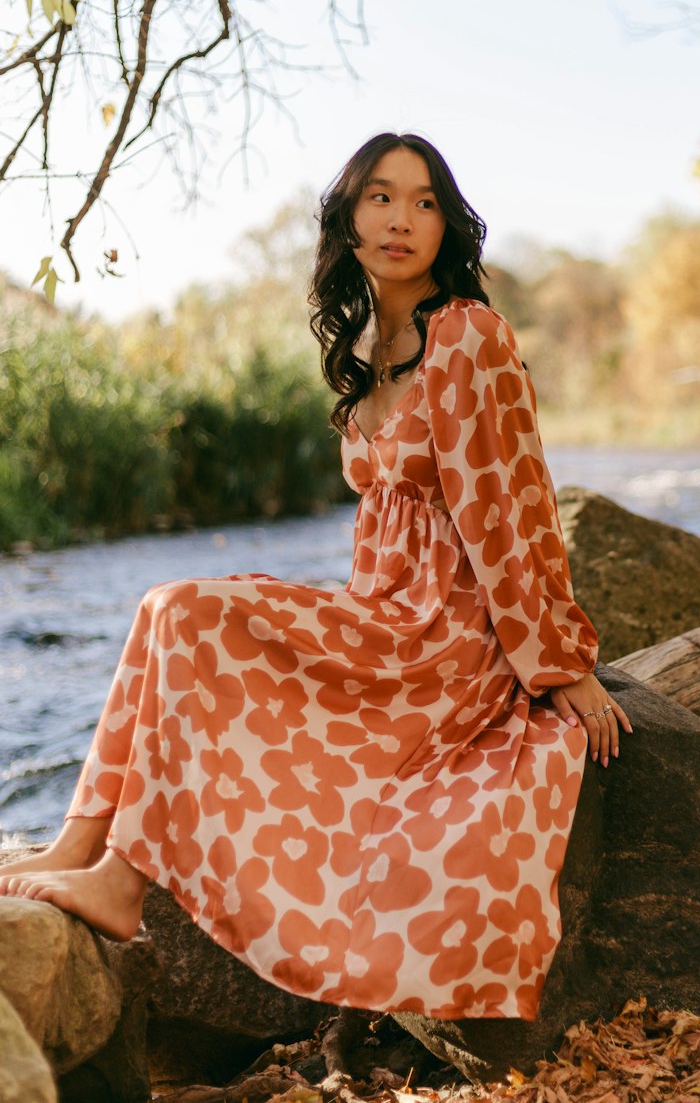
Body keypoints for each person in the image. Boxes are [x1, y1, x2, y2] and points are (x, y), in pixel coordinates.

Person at [0, 132, 631, 1021]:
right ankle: (79, 842)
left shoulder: (470, 336)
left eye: (423, 202)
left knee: (187, 608)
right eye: (381, 197)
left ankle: (119, 881)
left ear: (449, 226)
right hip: (383, 611)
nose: (402, 220)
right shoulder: (368, 342)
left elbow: (511, 507)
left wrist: (561, 662)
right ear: (349, 214)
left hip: (444, 636)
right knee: (160, 607)